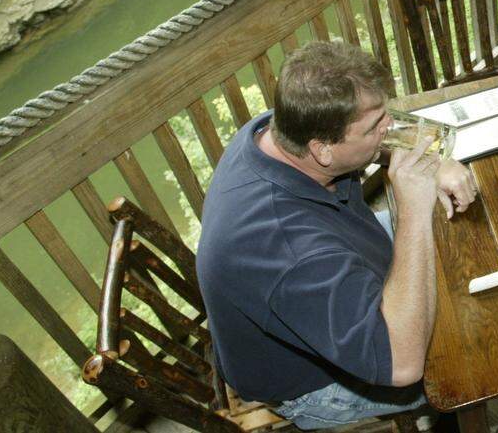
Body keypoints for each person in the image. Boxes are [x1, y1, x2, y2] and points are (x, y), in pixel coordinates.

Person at [196, 41, 477, 430]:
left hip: (345, 247)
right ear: (323, 150)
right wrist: (412, 204)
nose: (391, 129)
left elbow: (365, 140)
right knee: (470, 356)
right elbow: (403, 363)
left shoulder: (280, 129)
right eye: (375, 127)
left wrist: (433, 161)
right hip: (310, 383)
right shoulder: (287, 249)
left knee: (461, 243)